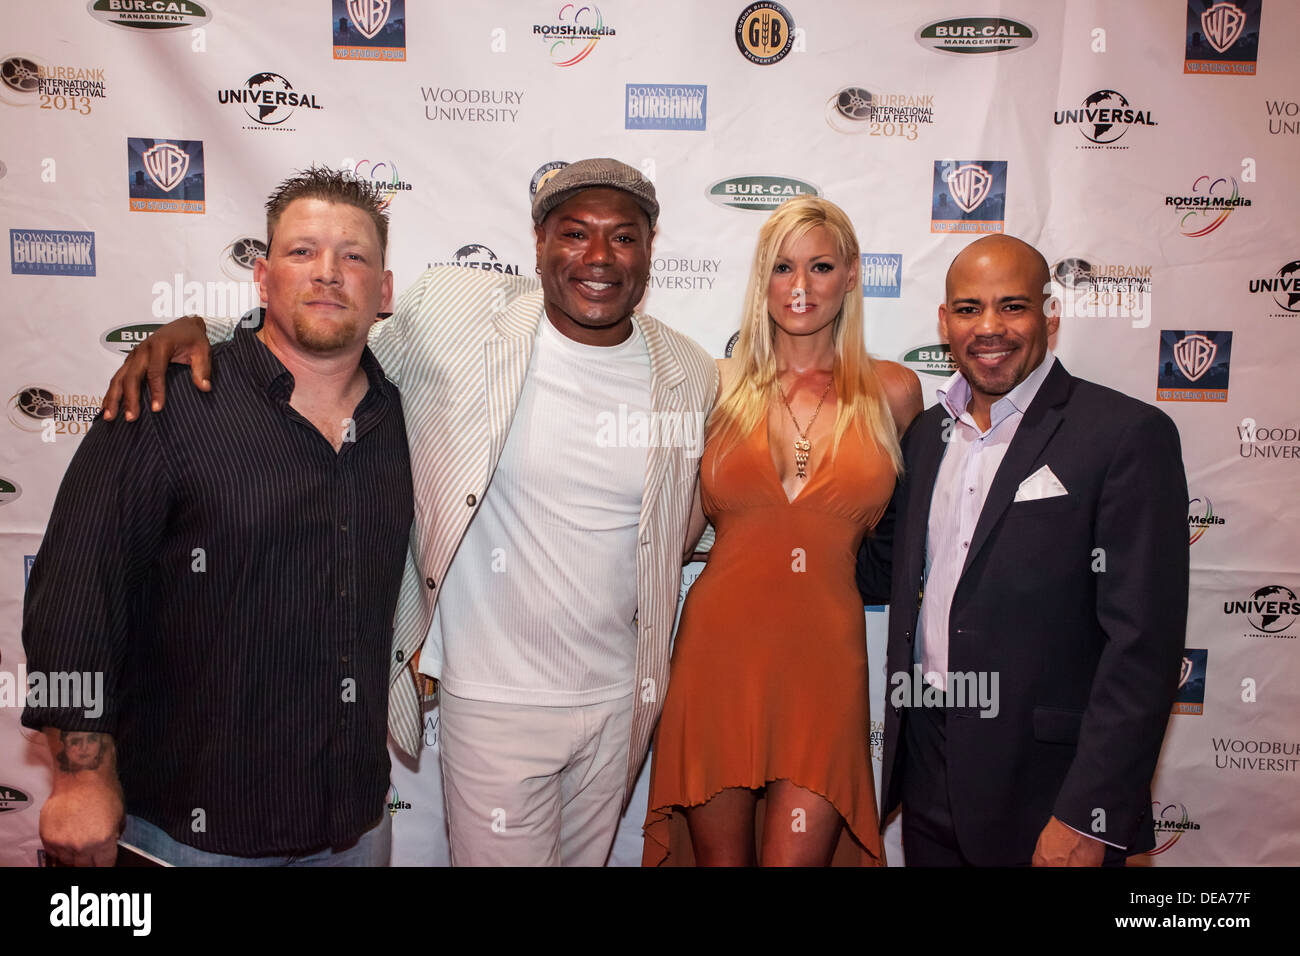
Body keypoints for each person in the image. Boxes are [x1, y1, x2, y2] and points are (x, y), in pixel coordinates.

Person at [99, 158, 716, 866]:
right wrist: (200, 327)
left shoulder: (690, 373)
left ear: (650, 246)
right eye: (576, 234)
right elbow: (321, 335)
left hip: (619, 701)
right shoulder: (456, 313)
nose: (599, 257)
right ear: (540, 241)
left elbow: (700, 513)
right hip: (494, 700)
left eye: (624, 237)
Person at [23, 168, 413, 866]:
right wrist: (80, 772)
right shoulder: (167, 404)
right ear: (262, 278)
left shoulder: (408, 417)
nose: (328, 273)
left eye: (353, 255)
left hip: (354, 825)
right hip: (191, 833)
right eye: (302, 252)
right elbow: (75, 594)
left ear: (383, 291)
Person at [856, 234, 1189, 866]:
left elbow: (1142, 647)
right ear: (943, 321)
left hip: (1049, 786)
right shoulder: (927, 435)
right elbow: (880, 571)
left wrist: (1090, 816)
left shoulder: (1124, 436)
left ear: (1050, 315)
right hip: (927, 766)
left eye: (1012, 306)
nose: (988, 327)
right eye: (968, 308)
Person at [644, 196, 922, 866]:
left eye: (820, 266)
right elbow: (673, 533)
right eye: (781, 267)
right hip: (717, 651)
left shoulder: (895, 392)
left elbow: (916, 542)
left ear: (852, 274)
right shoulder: (714, 386)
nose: (800, 287)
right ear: (760, 279)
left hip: (825, 658)